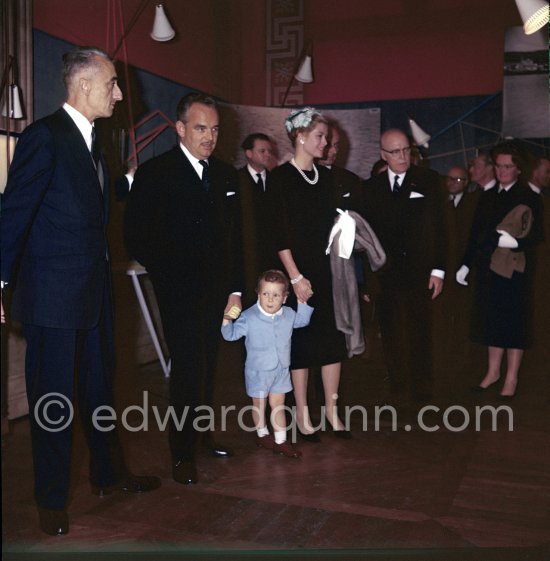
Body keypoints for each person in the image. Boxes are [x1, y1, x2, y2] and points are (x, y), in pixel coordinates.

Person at [0, 47, 160, 536]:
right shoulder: (45, 136)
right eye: (112, 84)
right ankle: (51, 499)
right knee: (54, 401)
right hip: (53, 297)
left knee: (98, 390)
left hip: (94, 295)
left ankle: (108, 476)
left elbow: (85, 208)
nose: (119, 93)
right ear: (84, 85)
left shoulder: (94, 141)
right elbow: (13, 211)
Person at [124, 92, 243, 485]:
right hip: (177, 290)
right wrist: (167, 273)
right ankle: (180, 452)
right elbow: (135, 236)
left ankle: (200, 435)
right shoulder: (156, 173)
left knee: (209, 364)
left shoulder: (227, 175)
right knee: (187, 367)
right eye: (200, 128)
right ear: (180, 128)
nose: (209, 137)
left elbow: (237, 238)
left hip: (218, 292)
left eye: (214, 129)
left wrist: (237, 290)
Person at [268, 107, 349, 441]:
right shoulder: (280, 178)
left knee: (331, 340)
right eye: (320, 136)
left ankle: (332, 411)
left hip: (326, 269)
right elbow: (278, 234)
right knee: (300, 343)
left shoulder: (327, 177)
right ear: (300, 137)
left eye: (326, 138)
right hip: (297, 272)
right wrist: (296, 278)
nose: (325, 143)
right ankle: (302, 413)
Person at [361, 129, 446, 404]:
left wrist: (438, 270)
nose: (402, 157)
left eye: (406, 150)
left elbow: (443, 229)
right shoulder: (371, 188)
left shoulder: (429, 181)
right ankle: (398, 388)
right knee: (391, 333)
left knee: (420, 332)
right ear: (383, 155)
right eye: (395, 152)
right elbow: (366, 237)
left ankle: (423, 389)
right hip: (386, 276)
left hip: (420, 273)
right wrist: (369, 280)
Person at [456, 144, 543, 399]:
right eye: (499, 166)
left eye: (508, 166)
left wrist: (513, 243)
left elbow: (536, 237)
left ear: (518, 169)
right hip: (488, 270)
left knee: (514, 325)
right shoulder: (488, 195)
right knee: (492, 322)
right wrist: (465, 263)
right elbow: (475, 234)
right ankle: (493, 372)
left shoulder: (529, 197)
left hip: (516, 271)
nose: (502, 171)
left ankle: (511, 377)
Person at [221, 269, 313, 458]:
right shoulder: (249, 316)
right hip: (258, 372)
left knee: (278, 404)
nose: (270, 299)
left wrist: (303, 302)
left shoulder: (288, 314)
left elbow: (302, 321)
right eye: (265, 294)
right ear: (258, 294)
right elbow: (230, 336)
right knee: (260, 405)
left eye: (276, 295)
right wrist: (227, 319)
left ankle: (281, 441)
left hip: (281, 369)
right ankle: (262, 434)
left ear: (285, 297)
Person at [238, 133, 277, 305]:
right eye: (262, 151)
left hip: (273, 253)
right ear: (249, 153)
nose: (268, 154)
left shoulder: (278, 180)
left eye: (269, 151)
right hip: (247, 253)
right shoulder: (236, 180)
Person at [317, 122, 363, 211]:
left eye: (336, 145)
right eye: (328, 145)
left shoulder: (350, 179)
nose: (334, 151)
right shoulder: (298, 177)